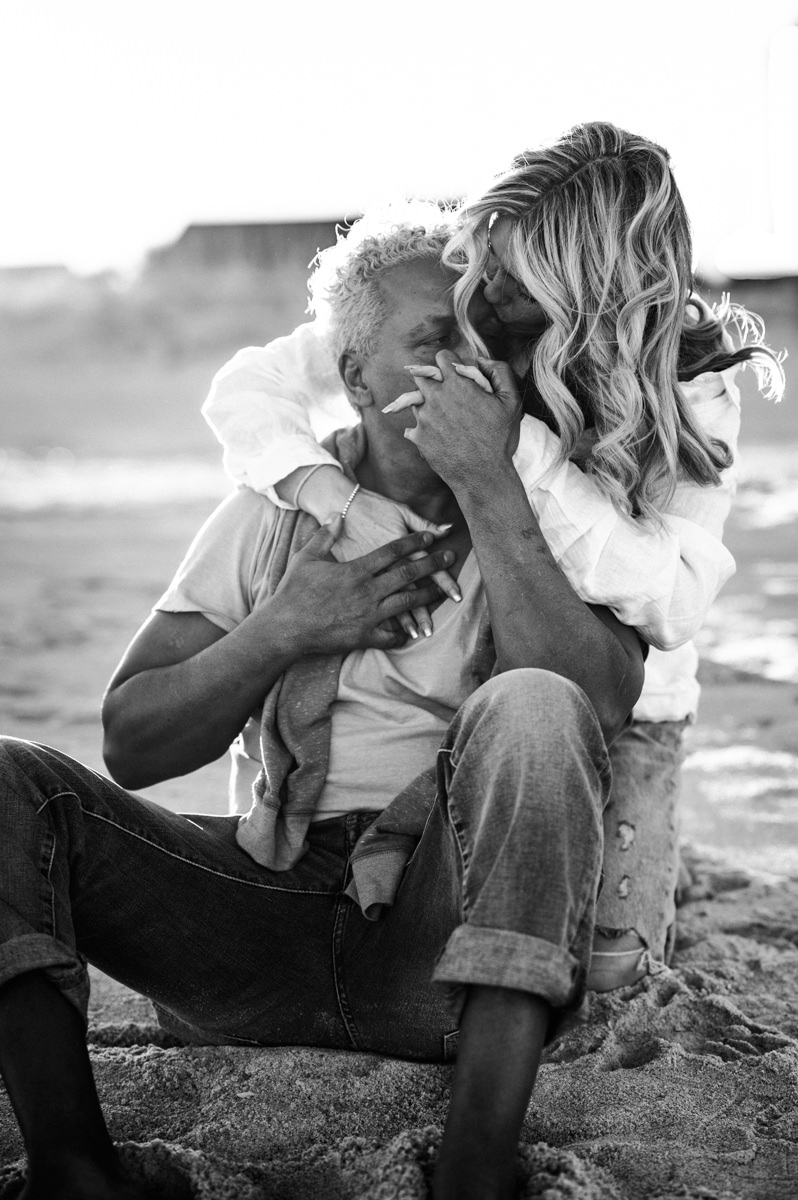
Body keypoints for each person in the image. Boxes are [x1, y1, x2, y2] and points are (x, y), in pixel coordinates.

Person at [0, 208, 645, 1200]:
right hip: (261, 917)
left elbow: (594, 706)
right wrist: (286, 628)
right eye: (435, 342)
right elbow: (133, 742)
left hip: (447, 949)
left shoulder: (557, 508)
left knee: (532, 706)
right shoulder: (274, 511)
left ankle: (473, 1170)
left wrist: (490, 490)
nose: (471, 369)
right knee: (8, 781)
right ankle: (73, 1169)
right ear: (356, 379)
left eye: (486, 340)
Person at [202, 122, 784, 984]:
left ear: (589, 293)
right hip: (469, 691)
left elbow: (675, 599)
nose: (484, 294)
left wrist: (514, 457)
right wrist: (343, 502)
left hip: (626, 706)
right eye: (487, 258)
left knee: (605, 974)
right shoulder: (464, 306)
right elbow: (253, 388)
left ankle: (663, 861)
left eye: (515, 281)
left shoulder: (689, 392)